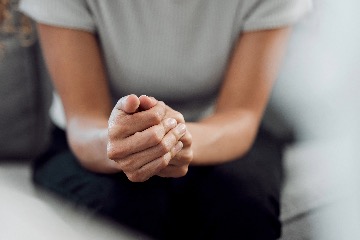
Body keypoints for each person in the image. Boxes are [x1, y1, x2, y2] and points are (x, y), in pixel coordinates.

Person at [19, 1, 312, 239]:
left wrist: (174, 137)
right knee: (126, 214)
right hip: (94, 138)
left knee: (244, 212)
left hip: (218, 130)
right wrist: (122, 143)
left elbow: (242, 114)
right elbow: (84, 119)